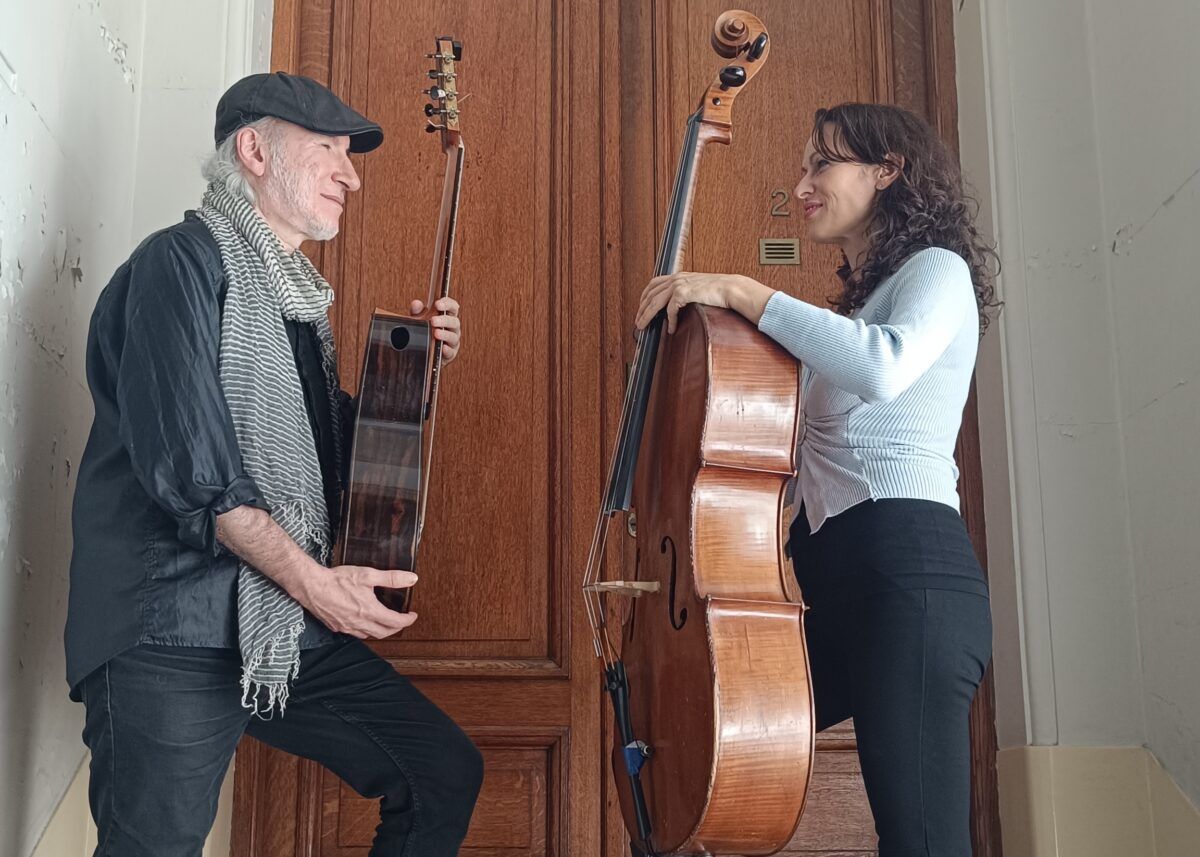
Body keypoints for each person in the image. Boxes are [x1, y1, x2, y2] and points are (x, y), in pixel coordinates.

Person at [64, 72, 482, 856]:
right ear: (254, 150)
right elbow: (197, 474)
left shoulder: (293, 305)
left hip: (270, 624)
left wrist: (414, 377)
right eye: (327, 148)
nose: (350, 172)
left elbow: (332, 464)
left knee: (440, 770)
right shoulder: (177, 266)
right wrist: (320, 586)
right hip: (171, 626)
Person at [635, 102, 1000, 856]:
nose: (802, 183)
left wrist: (742, 290)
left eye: (820, 164)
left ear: (887, 171)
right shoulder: (861, 304)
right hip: (838, 583)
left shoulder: (937, 270)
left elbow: (882, 365)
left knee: (921, 842)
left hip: (910, 577)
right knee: (698, 748)